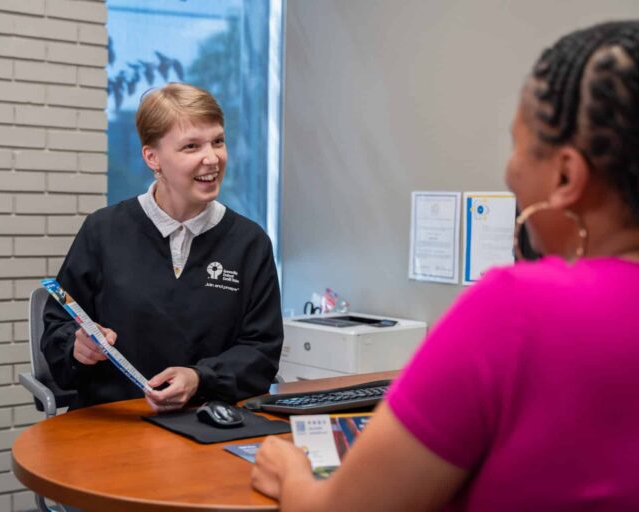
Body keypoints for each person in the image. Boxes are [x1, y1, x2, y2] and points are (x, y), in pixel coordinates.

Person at [252, 20, 639, 511]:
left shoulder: (518, 307)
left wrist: (292, 473)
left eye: (517, 145)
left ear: (566, 176)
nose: (511, 169)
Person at [41, 83, 283, 412]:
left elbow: (261, 350)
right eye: (191, 146)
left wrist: (201, 378)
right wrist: (77, 346)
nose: (212, 158)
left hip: (209, 420)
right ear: (152, 157)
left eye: (218, 141)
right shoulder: (103, 231)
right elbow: (59, 324)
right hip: (112, 421)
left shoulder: (249, 243)